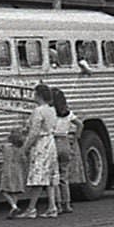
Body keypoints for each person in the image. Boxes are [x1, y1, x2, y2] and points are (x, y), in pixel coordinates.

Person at [21, 83, 61, 219]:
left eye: (34, 94)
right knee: (50, 176)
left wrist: (24, 148)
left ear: (38, 95)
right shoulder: (52, 110)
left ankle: (31, 208)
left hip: (41, 144)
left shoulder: (38, 111)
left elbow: (34, 132)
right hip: (51, 143)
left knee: (38, 177)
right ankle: (52, 207)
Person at [49, 87, 80, 215]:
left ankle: (58, 205)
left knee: (54, 176)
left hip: (53, 142)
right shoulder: (68, 113)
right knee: (64, 176)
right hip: (65, 142)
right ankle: (67, 204)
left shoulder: (50, 112)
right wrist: (75, 139)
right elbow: (80, 124)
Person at [0, 122, 28, 217]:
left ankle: (13, 206)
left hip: (7, 171)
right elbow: (24, 160)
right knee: (15, 192)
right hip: (17, 171)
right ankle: (14, 208)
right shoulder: (21, 149)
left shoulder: (5, 147)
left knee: (3, 190)